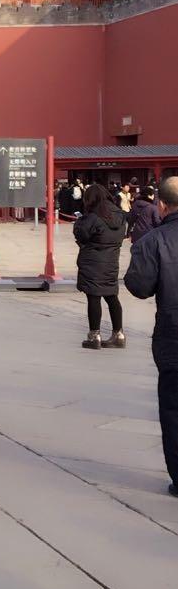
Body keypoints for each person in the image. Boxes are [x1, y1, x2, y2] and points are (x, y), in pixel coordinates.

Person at [125, 176, 178, 497]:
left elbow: (139, 287)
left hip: (172, 336)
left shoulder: (154, 241)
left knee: (173, 408)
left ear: (161, 204)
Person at [74, 183, 128, 349]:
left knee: (94, 296)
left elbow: (81, 234)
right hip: (112, 261)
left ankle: (94, 335)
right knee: (112, 296)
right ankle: (118, 334)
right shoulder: (120, 216)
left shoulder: (92, 217)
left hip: (93, 261)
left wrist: (80, 221)